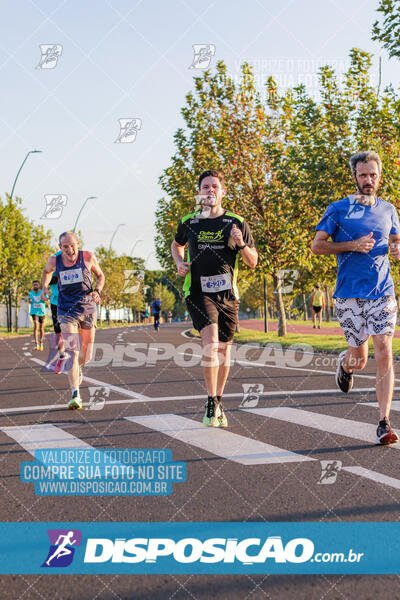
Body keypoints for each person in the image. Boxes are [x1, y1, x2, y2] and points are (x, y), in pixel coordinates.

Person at [312, 150, 400, 445]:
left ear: (379, 176)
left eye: (373, 175)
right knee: (360, 359)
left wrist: (398, 248)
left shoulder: (389, 210)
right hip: (349, 295)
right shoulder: (338, 209)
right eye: (363, 175)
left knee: (384, 352)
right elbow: (318, 246)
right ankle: (345, 364)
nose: (368, 180)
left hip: (382, 292)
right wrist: (352, 245)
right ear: (355, 177)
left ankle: (383, 423)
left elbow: (395, 239)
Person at [171, 169, 258, 427]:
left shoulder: (236, 222)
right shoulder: (189, 221)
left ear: (223, 192)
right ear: (199, 193)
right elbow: (177, 244)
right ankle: (210, 401)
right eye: (205, 186)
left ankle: (219, 399)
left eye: (214, 186)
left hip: (228, 294)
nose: (210, 190)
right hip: (198, 291)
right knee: (210, 343)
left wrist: (241, 243)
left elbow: (253, 262)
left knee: (224, 350)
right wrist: (179, 261)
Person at [41, 231, 105, 410]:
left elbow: (101, 276)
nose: (69, 250)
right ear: (60, 248)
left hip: (88, 308)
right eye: (65, 247)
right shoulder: (55, 260)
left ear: (78, 243)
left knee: (86, 355)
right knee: (73, 351)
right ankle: (75, 394)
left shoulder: (88, 257)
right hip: (66, 311)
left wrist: (97, 291)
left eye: (72, 245)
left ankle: (77, 369)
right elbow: (47, 272)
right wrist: (45, 288)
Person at [48, 272, 66, 373]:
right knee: (58, 333)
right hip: (55, 304)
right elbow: (48, 279)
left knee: (72, 331)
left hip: (70, 303)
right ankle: (61, 356)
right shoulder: (54, 264)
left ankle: (77, 361)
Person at [28, 280, 48, 350]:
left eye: (36, 285)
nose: (35, 286)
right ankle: (36, 344)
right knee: (36, 326)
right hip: (34, 312)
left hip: (42, 312)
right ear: (33, 286)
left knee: (41, 328)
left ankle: (41, 342)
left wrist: (45, 299)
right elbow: (29, 300)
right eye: (34, 285)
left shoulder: (42, 292)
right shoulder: (31, 293)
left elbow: (47, 301)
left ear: (38, 286)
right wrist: (29, 301)